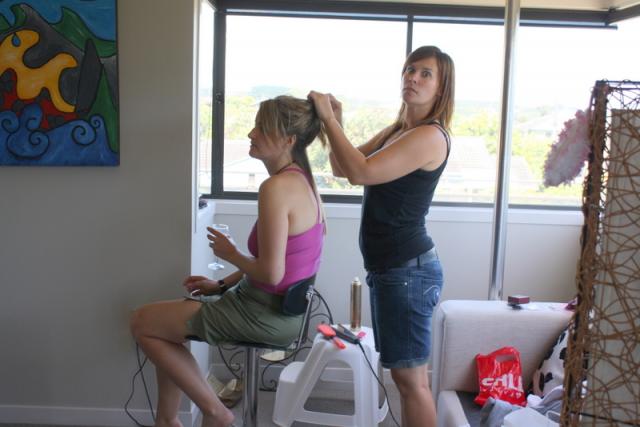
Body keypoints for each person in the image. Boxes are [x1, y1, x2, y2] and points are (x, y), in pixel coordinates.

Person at [130, 95, 326, 427]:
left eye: (262, 128)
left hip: (264, 312)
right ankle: (168, 420)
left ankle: (215, 412)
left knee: (142, 323)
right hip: (278, 309)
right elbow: (271, 263)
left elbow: (271, 272)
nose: (251, 134)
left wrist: (231, 253)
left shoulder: (276, 187)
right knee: (162, 326)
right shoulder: (304, 182)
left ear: (288, 140)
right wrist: (220, 284)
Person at [308, 45, 454, 427]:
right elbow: (343, 167)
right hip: (394, 270)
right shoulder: (399, 131)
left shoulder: (430, 136)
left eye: (425, 74)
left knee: (410, 382)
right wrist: (335, 122)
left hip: (408, 271)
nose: (413, 78)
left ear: (441, 88)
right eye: (410, 69)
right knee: (407, 380)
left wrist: (329, 119)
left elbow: (361, 173)